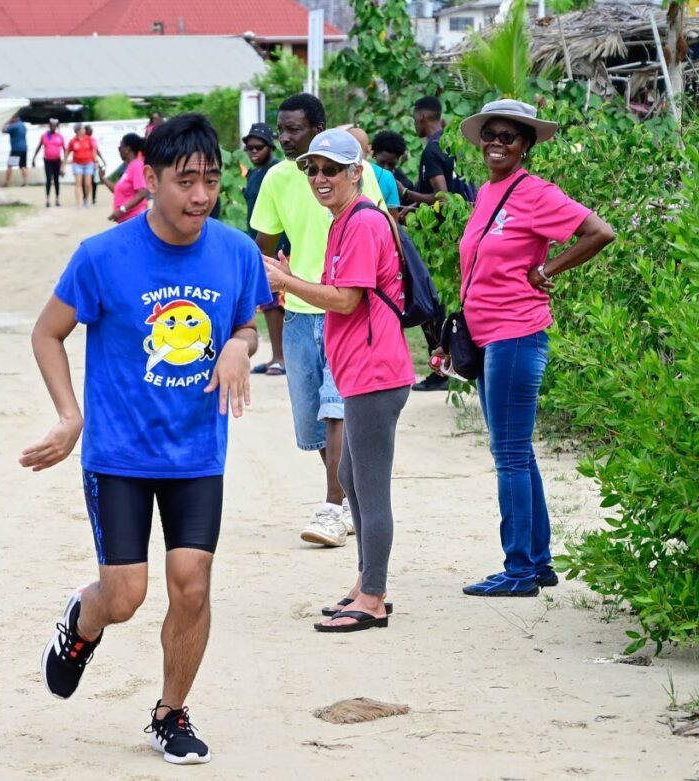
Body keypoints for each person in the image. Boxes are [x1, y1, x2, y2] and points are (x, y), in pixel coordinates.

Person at [23, 113, 271, 765]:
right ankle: (82, 620)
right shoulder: (102, 257)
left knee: (192, 580)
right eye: (185, 180)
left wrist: (242, 348)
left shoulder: (236, 252)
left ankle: (171, 712)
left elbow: (247, 325)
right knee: (126, 596)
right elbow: (47, 332)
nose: (200, 195)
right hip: (119, 454)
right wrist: (68, 414)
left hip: (197, 450)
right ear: (151, 178)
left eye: (212, 181)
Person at [435, 99, 614, 597]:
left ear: (526, 146)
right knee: (516, 451)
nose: (496, 142)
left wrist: (548, 269)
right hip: (488, 334)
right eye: (489, 134)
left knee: (510, 454)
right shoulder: (490, 192)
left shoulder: (536, 193)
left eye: (508, 137)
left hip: (517, 332)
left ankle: (518, 572)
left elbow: (600, 232)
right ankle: (537, 562)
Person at [263, 129, 413, 631]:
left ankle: (373, 598)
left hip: (376, 370)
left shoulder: (363, 222)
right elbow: (340, 294)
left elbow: (347, 299)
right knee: (349, 478)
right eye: (312, 169)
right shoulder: (343, 221)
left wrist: (285, 282)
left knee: (369, 488)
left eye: (331, 169)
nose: (320, 178)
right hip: (360, 369)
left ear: (356, 173)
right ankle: (366, 583)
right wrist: (293, 282)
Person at [249, 93, 354, 547]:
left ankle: (332, 506)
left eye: (294, 130)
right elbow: (264, 244)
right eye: (281, 130)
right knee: (313, 423)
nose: (284, 138)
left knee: (337, 409)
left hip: (344, 312)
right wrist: (269, 280)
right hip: (297, 315)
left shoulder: (350, 175)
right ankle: (348, 497)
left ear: (319, 128)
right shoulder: (277, 178)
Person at [407, 96, 455, 392]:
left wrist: (407, 194)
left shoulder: (432, 151)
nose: (415, 124)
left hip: (437, 241)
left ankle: (441, 373)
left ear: (423, 117)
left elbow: (443, 197)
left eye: (415, 118)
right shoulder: (455, 147)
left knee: (430, 303)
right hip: (459, 235)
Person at [240, 122, 287, 378]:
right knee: (268, 303)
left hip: (276, 245)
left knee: (275, 303)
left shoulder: (276, 170)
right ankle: (276, 356)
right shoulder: (255, 173)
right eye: (249, 147)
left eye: (258, 146)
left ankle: (281, 358)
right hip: (257, 242)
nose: (253, 151)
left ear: (270, 146)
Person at [340, 125, 402, 219]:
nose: (386, 167)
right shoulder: (387, 177)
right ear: (369, 149)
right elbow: (393, 219)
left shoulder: (332, 173)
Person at [100, 132, 148, 223]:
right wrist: (103, 179)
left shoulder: (137, 166)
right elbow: (117, 190)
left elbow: (142, 192)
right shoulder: (130, 167)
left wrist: (122, 210)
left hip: (134, 218)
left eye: (120, 147)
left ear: (127, 149)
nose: (119, 150)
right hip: (127, 219)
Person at [371, 131, 416, 201]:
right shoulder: (365, 176)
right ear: (374, 155)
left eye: (391, 164)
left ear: (398, 160)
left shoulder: (403, 183)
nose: (386, 168)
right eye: (382, 162)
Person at [65, 123, 102, 208]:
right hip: (77, 164)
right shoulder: (73, 141)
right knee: (78, 183)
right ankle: (78, 203)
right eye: (82, 129)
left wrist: (95, 161)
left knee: (88, 183)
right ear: (78, 131)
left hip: (88, 163)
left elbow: (93, 150)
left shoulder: (89, 139)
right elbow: (68, 150)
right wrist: (64, 161)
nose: (84, 130)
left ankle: (86, 200)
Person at [32, 118, 65, 207]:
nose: (53, 127)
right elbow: (39, 146)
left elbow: (64, 149)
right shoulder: (45, 136)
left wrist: (63, 164)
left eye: (55, 125)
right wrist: (34, 158)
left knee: (57, 181)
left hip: (57, 161)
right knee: (48, 180)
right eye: (51, 125)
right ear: (49, 126)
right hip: (48, 161)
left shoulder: (60, 137)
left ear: (57, 126)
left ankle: (57, 199)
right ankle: (47, 199)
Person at [2, 113, 28, 187]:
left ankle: (7, 183)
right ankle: (25, 182)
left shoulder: (14, 126)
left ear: (13, 118)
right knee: (23, 165)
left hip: (16, 148)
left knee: (10, 165)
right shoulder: (22, 125)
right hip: (24, 148)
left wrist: (7, 123)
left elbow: (3, 130)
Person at [84, 125, 105, 205]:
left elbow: (97, 150)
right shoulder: (84, 140)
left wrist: (102, 160)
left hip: (94, 163)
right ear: (86, 131)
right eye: (90, 130)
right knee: (85, 181)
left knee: (94, 181)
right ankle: (85, 197)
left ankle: (93, 198)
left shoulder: (93, 140)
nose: (92, 131)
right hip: (86, 163)